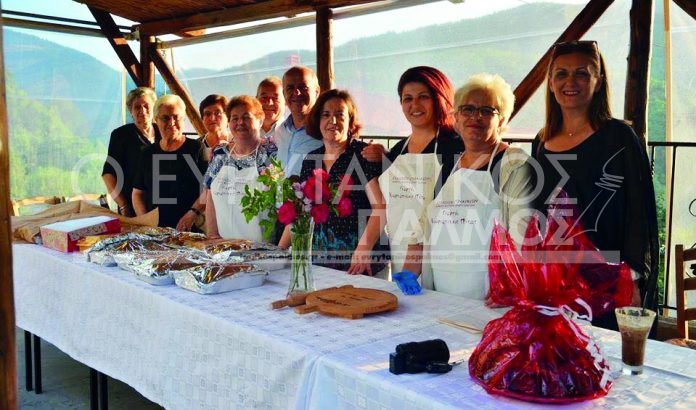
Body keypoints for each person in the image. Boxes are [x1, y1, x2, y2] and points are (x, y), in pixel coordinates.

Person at [532, 40, 659, 330]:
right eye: (561, 74)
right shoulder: (541, 141)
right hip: (557, 280)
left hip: (608, 278)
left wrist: (632, 279)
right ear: (550, 83)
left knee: (607, 353)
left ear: (598, 81)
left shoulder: (619, 137)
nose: (570, 82)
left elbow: (638, 212)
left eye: (582, 73)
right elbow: (539, 213)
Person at [425, 73, 535, 301]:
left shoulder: (513, 163)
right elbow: (426, 224)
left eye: (486, 111)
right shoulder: (448, 165)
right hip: (440, 289)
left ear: (502, 120)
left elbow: (522, 234)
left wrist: (507, 288)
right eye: (467, 109)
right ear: (456, 117)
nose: (475, 117)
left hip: (490, 295)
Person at [362, 66, 464, 282]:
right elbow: (384, 204)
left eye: (423, 97)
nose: (415, 105)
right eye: (407, 98)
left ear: (439, 99)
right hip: (400, 251)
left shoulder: (455, 146)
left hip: (443, 254)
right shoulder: (397, 151)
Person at [280, 89, 386, 275]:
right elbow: (300, 210)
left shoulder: (363, 155)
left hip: (360, 263)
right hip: (320, 262)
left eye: (340, 115)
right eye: (326, 115)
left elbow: (380, 207)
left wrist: (363, 249)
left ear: (350, 121)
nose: (333, 121)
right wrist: (279, 251)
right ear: (318, 120)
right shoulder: (311, 160)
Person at [204, 96, 277, 240]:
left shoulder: (271, 154)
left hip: (261, 247)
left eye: (246, 117)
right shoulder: (220, 153)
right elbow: (210, 195)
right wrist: (212, 235)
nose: (240, 123)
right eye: (235, 118)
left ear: (260, 120)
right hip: (223, 246)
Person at [132, 94, 207, 230]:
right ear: (156, 120)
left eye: (176, 117)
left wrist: (193, 213)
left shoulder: (196, 149)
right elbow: (137, 193)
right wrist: (146, 221)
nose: (171, 123)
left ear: (183, 119)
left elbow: (208, 189)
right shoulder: (148, 153)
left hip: (190, 229)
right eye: (165, 118)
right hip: (156, 231)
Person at [102, 87, 160, 217]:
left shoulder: (162, 131)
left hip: (161, 205)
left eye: (146, 106)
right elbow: (108, 174)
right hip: (131, 207)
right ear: (130, 111)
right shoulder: (121, 135)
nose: (142, 111)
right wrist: (123, 205)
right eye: (137, 107)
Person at [273, 66, 323, 177]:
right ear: (284, 93)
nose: (296, 93)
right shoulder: (281, 131)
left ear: (316, 91)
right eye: (290, 88)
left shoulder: (325, 130)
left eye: (303, 87)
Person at [199, 94, 230, 160]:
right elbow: (191, 166)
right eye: (207, 114)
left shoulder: (241, 143)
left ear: (228, 117)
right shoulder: (194, 148)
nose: (212, 118)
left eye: (217, 113)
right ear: (202, 119)